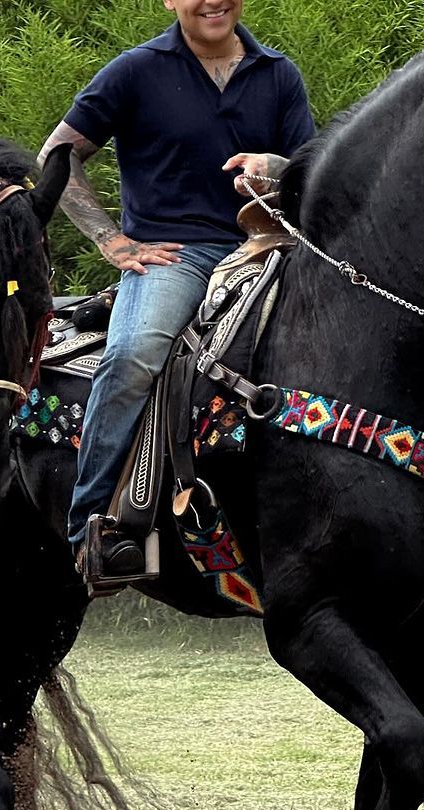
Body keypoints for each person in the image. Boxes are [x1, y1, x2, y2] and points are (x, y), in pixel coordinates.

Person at [39, 0, 315, 581]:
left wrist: (277, 167)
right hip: (176, 256)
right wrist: (113, 242)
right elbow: (58, 155)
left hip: (270, 248)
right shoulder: (136, 70)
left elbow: (311, 173)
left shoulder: (278, 73)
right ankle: (92, 528)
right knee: (134, 354)